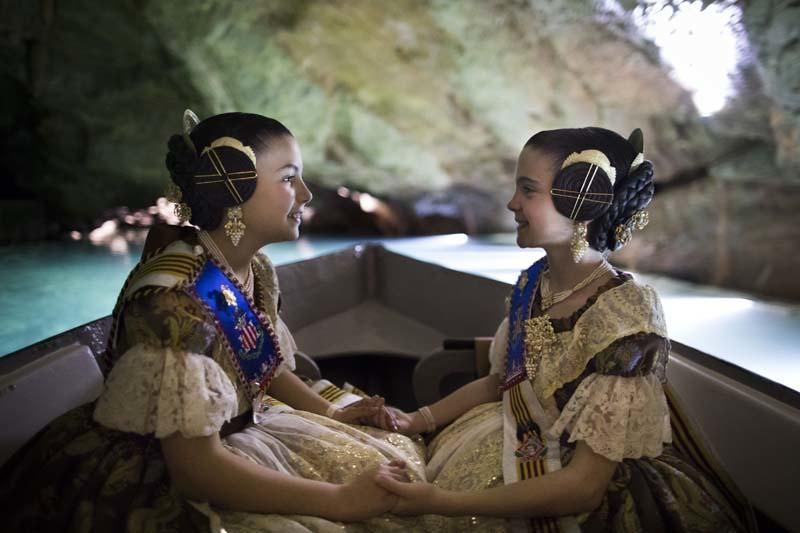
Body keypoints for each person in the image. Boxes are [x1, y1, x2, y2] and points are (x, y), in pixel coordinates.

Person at [0, 110, 427, 532]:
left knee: (395, 458)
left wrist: (331, 412)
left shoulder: (252, 269)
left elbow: (261, 363)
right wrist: (340, 501)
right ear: (234, 191)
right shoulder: (173, 304)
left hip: (241, 430)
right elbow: (195, 471)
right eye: (287, 178)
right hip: (174, 469)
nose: (306, 194)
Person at [378, 127, 756, 532]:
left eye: (527, 190)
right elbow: (504, 383)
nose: (512, 203)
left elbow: (585, 488)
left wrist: (446, 502)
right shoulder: (533, 282)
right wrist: (415, 420)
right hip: (509, 438)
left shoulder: (625, 316)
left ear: (581, 199)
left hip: (589, 500)